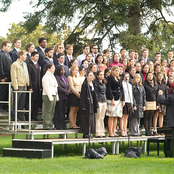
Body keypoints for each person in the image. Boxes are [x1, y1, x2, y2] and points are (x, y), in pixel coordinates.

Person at [106, 66, 125, 137]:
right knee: (111, 115)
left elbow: (122, 89)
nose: (117, 72)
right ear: (113, 71)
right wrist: (112, 98)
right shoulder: (109, 78)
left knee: (116, 116)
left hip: (119, 98)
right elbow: (108, 89)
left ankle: (114, 131)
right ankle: (110, 132)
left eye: (118, 70)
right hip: (112, 98)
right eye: (116, 70)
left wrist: (123, 99)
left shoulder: (119, 79)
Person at [11, 50, 30, 121]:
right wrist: (15, 87)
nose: (26, 57)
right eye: (25, 55)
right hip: (18, 86)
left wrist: (27, 85)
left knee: (22, 102)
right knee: (16, 102)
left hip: (23, 85)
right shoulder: (14, 64)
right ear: (20, 56)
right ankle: (14, 116)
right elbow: (14, 76)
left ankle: (20, 115)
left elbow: (26, 75)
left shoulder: (24, 64)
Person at [80, 71, 98, 138]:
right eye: (90, 75)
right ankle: (85, 133)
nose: (91, 77)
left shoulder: (93, 84)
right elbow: (83, 95)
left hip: (92, 103)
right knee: (86, 119)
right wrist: (83, 105)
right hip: (86, 104)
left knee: (91, 119)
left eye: (92, 75)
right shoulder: (85, 84)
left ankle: (90, 132)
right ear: (87, 77)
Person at [42, 64, 58, 130]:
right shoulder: (46, 76)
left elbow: (55, 86)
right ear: (48, 69)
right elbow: (46, 87)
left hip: (53, 94)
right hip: (48, 95)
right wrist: (50, 97)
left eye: (54, 68)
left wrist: (57, 97)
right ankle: (46, 125)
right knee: (47, 110)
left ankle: (50, 124)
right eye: (52, 68)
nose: (53, 69)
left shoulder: (52, 76)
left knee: (52, 111)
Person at [27, 51, 41, 121]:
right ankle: (29, 116)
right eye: (36, 56)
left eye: (38, 56)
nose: (37, 58)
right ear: (32, 57)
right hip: (32, 86)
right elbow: (28, 76)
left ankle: (34, 115)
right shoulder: (29, 65)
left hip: (38, 87)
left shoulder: (38, 65)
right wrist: (29, 86)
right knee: (31, 101)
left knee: (37, 101)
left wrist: (40, 86)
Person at [54, 65, 70, 130]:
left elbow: (68, 85)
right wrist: (65, 91)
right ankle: (58, 125)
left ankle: (63, 124)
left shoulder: (64, 77)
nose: (63, 71)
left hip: (65, 96)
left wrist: (68, 91)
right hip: (60, 96)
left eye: (63, 70)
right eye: (61, 70)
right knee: (59, 111)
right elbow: (58, 87)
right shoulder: (56, 77)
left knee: (63, 111)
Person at [143, 72, 158, 136]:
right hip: (147, 101)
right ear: (147, 76)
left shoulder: (155, 84)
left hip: (153, 101)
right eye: (149, 75)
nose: (150, 76)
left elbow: (156, 94)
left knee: (150, 117)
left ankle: (149, 131)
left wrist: (157, 104)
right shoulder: (145, 84)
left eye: (151, 75)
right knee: (146, 116)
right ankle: (147, 131)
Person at [94, 71, 107, 138]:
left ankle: (102, 132)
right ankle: (97, 132)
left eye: (103, 75)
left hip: (104, 100)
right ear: (97, 76)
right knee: (98, 117)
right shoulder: (95, 83)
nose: (102, 76)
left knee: (102, 117)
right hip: (98, 100)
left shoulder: (104, 82)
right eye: (101, 75)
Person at [0, 40, 12, 112]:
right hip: (3, 78)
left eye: (10, 47)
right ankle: (1, 107)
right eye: (8, 46)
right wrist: (1, 77)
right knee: (2, 93)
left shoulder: (8, 54)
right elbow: (0, 66)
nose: (9, 48)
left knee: (7, 93)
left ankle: (5, 107)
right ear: (3, 46)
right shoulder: (1, 54)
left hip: (8, 78)